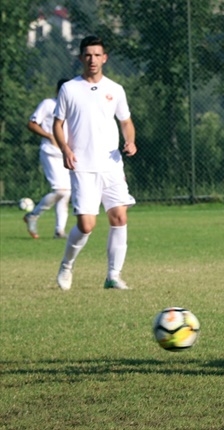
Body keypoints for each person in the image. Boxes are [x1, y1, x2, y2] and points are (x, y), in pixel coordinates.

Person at [53, 35, 137, 291]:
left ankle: (113, 275)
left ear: (104, 58)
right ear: (81, 58)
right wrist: (65, 148)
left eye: (97, 55)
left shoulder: (115, 89)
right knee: (86, 224)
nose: (92, 59)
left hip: (111, 164)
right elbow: (58, 124)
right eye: (87, 55)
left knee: (119, 216)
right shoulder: (69, 88)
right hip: (83, 166)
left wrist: (130, 141)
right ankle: (67, 265)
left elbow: (126, 122)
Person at [24, 78, 71, 239]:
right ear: (58, 91)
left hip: (66, 154)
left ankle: (59, 231)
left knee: (65, 194)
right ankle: (33, 215)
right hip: (50, 152)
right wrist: (48, 135)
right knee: (60, 190)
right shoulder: (48, 104)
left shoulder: (73, 107)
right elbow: (32, 124)